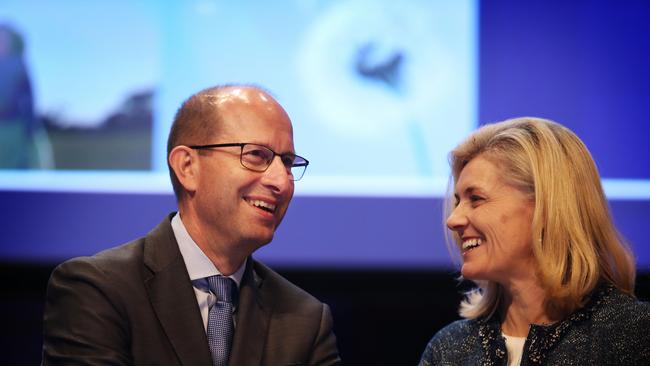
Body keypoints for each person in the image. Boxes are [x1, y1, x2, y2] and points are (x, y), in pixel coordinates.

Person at [42, 85, 341, 365]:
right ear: (187, 167)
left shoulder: (305, 320)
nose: (281, 181)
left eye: (287, 162)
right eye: (256, 155)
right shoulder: (98, 291)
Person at [419, 117, 650, 365]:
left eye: (476, 198)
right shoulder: (449, 351)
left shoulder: (635, 334)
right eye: (457, 202)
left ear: (546, 206)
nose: (453, 220)